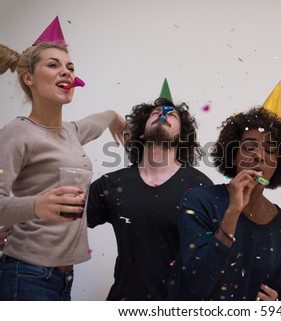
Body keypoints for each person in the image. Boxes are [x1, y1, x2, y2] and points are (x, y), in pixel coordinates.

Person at [169, 92, 281, 300]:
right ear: (233, 154)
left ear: (279, 163)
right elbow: (195, 284)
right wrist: (233, 212)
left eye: (270, 150)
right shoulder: (198, 201)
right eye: (249, 147)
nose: (259, 155)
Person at [0, 17, 125, 301]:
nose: (66, 72)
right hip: (26, 274)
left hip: (63, 278)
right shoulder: (16, 133)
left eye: (70, 67)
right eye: (53, 65)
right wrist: (38, 205)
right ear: (28, 78)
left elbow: (99, 119)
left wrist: (114, 116)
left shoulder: (71, 132)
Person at [87, 87, 213, 300]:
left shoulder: (200, 187)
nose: (162, 115)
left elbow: (220, 253)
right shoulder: (111, 184)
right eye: (155, 113)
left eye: (171, 115)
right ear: (142, 132)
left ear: (182, 138)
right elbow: (68, 222)